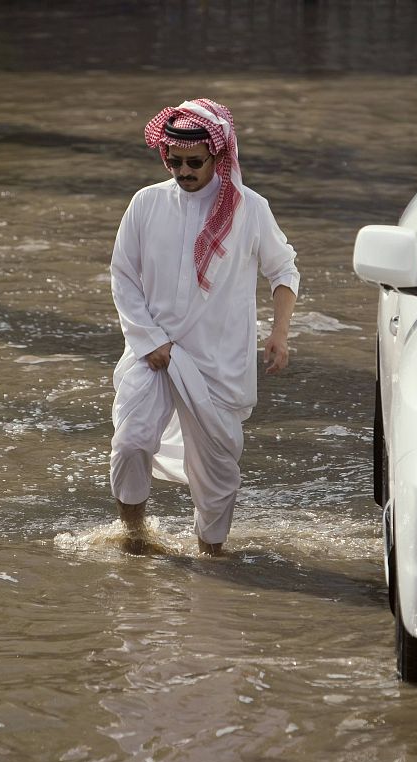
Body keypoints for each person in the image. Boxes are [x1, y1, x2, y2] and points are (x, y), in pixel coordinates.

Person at [109, 98, 299, 555]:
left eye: (194, 162)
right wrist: (150, 340)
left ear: (220, 155)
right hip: (153, 351)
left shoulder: (249, 209)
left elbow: (283, 270)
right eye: (173, 160)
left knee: (215, 472)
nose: (182, 170)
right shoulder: (146, 203)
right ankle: (135, 539)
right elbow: (122, 274)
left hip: (219, 359)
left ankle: (211, 560)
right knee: (131, 443)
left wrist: (280, 332)